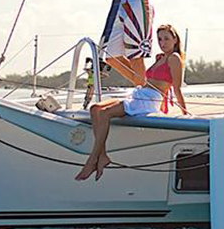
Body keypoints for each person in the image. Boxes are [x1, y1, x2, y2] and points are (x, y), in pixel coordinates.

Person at [75, 25, 187, 181]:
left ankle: (92, 158)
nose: (163, 43)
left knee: (105, 113)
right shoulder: (160, 58)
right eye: (160, 39)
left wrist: (185, 112)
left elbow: (176, 88)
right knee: (95, 108)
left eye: (167, 39)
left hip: (148, 99)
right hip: (139, 94)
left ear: (175, 39)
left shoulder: (175, 58)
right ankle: (103, 156)